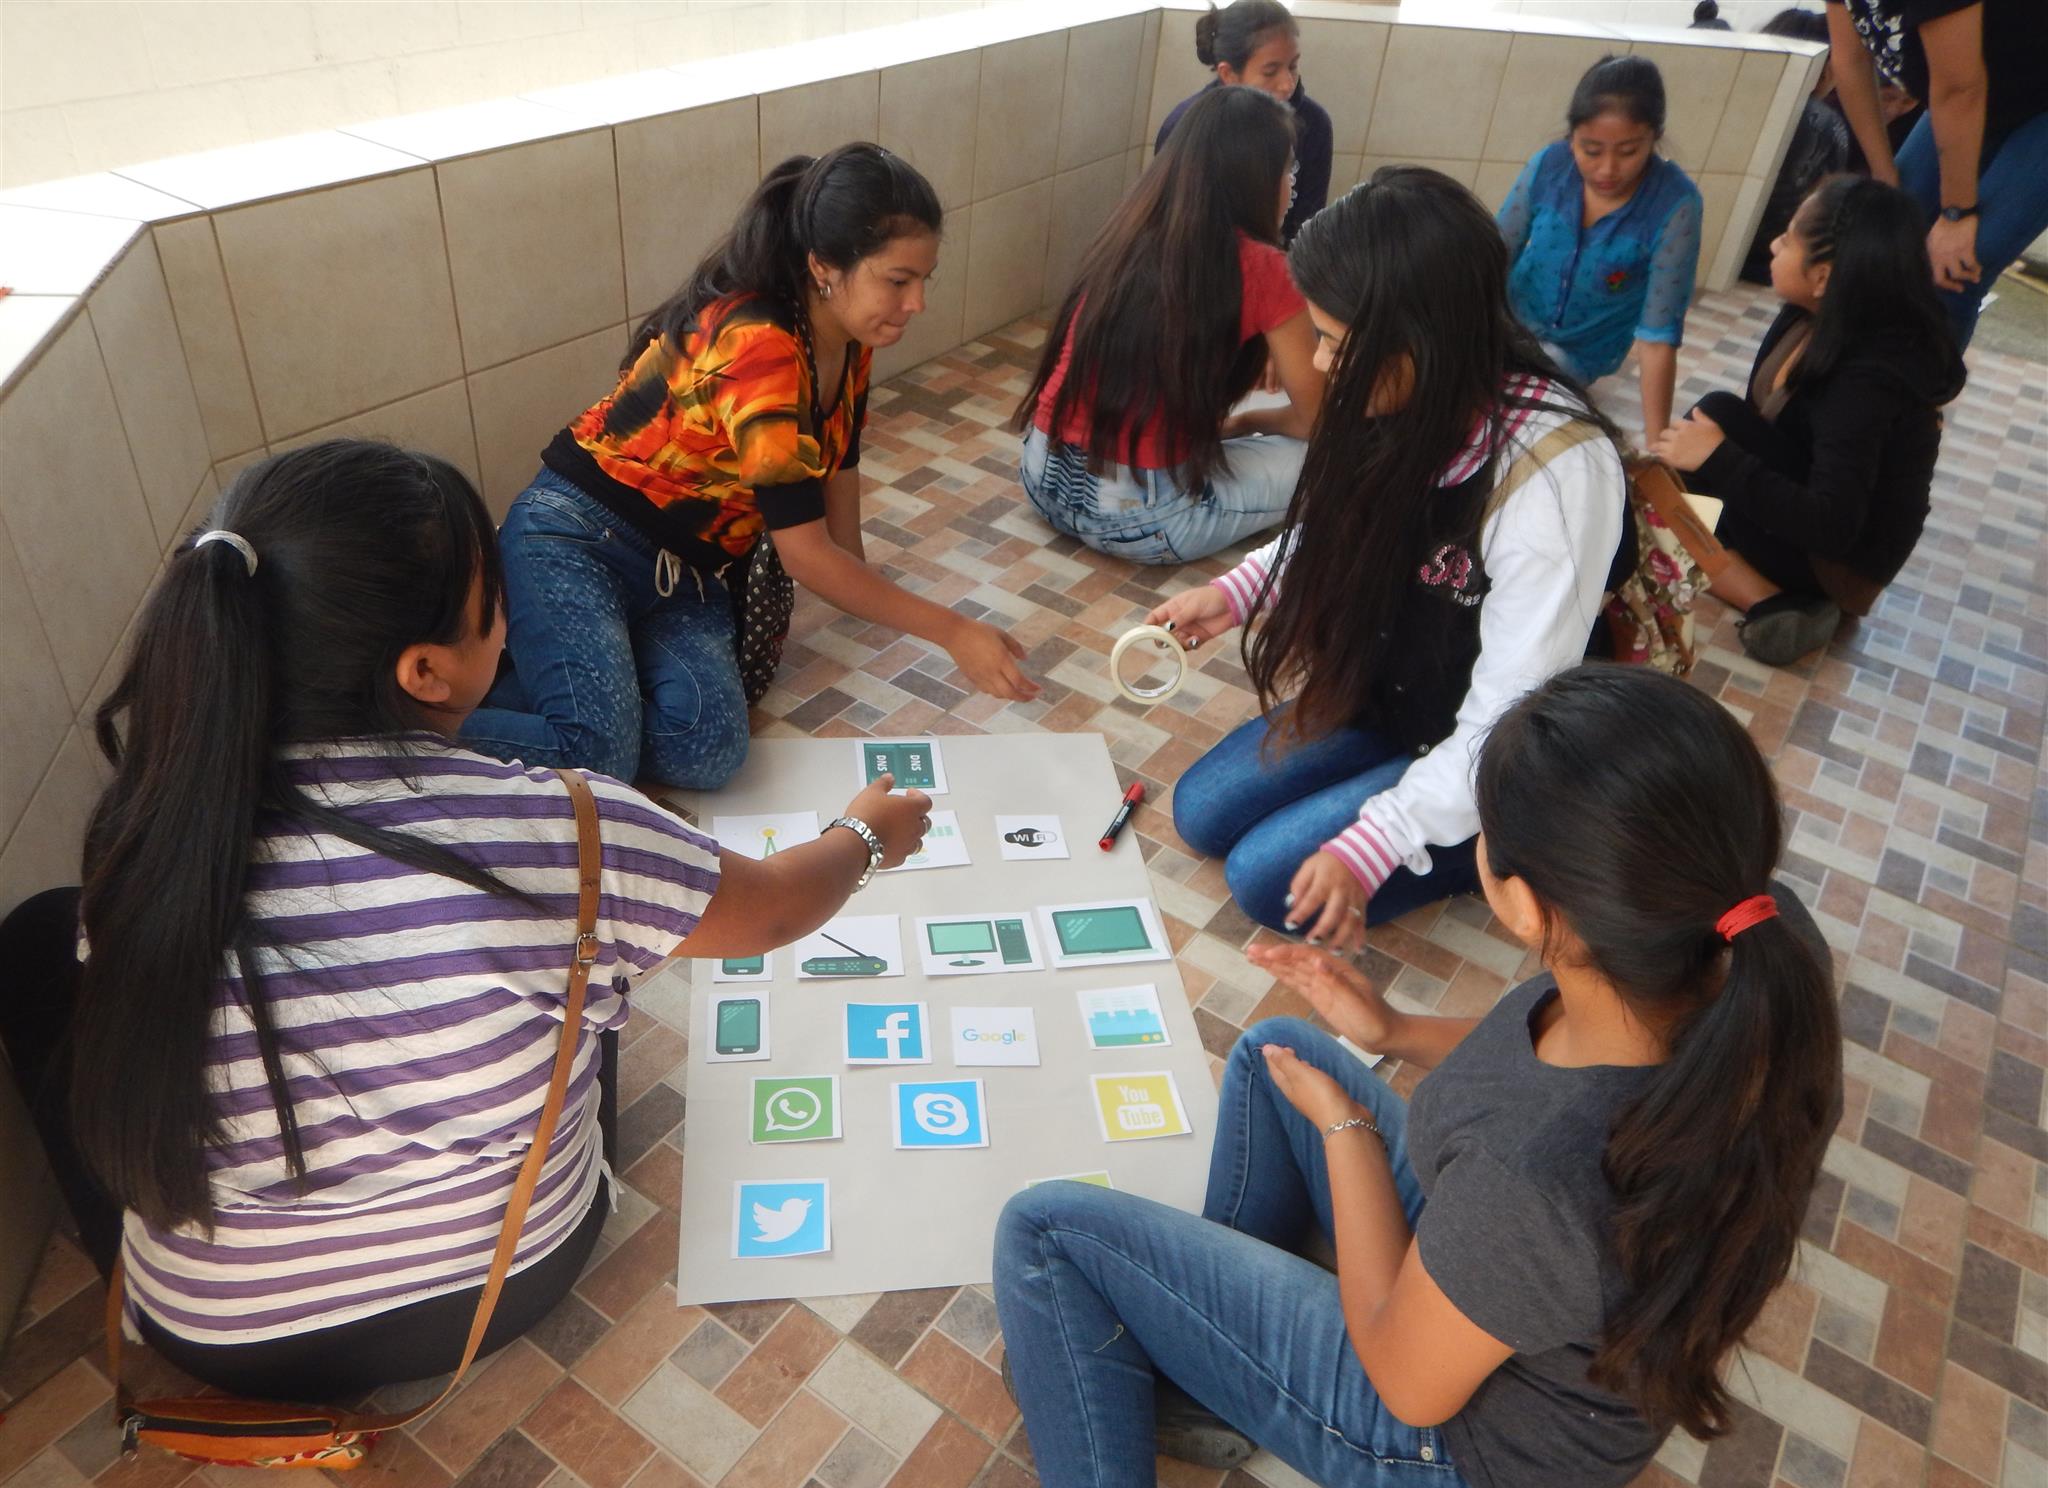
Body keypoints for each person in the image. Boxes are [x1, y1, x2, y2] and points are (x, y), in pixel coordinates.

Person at [0, 441, 931, 1402]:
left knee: (41, 937)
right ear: (424, 671)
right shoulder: (566, 828)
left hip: (212, 1335)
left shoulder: (146, 833)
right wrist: (866, 833)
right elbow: (773, 910)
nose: (512, 621)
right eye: (496, 605)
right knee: (586, 964)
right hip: (500, 1284)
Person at [994, 663, 1842, 1488]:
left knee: (1047, 1231)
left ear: (1524, 905)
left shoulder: (1535, 1177)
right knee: (1275, 1051)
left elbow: (1406, 1384)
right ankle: (1201, 1362)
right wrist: (1395, 1029)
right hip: (1513, 1283)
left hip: (1462, 1459)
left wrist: (1347, 1131)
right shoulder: (1750, 933)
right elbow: (1551, 1052)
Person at [461, 144, 1037, 791]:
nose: (917, 303)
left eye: (925, 280)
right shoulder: (761, 347)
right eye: (898, 281)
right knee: (597, 754)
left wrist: (863, 579)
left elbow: (839, 489)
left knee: (708, 750)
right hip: (576, 538)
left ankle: (557, 672)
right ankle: (409, 724)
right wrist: (954, 631)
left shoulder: (848, 338)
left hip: (687, 573)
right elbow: (807, 557)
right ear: (824, 267)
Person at [1156, 169, 1629, 953]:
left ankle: (1511, 839)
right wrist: (1240, 590)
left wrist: (1377, 841)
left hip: (1499, 744)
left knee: (1266, 880)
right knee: (1202, 812)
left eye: (1339, 344)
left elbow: (1511, 715)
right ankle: (1395, 781)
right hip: (1399, 694)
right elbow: (1339, 527)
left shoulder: (1555, 474)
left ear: (1422, 339)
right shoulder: (1403, 393)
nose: (1322, 364)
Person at [1656, 176, 1965, 665]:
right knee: (1712, 418)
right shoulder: (1812, 316)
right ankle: (1757, 579)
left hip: (1843, 564)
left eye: (1789, 239)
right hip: (1819, 522)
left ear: (1822, 276)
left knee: (1662, 510)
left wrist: (1717, 459)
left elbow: (1834, 525)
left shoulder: (1866, 381)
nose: (1774, 244)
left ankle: (1773, 603)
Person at [1016, 86, 1324, 565]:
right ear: (1256, 177)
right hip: (1146, 521)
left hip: (1041, 480)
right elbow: (1318, 420)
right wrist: (1246, 424)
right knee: (1341, 458)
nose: (1292, 186)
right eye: (1289, 170)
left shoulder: (1127, 231)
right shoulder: (1264, 267)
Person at [1497, 56, 1704, 442]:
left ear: (1654, 137)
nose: (1607, 169)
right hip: (1508, 319)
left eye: (1629, 151)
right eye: (1591, 150)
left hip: (1577, 353)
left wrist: (1657, 444)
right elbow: (1495, 252)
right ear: (1571, 136)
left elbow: (1658, 335)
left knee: (1518, 407)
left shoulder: (1675, 205)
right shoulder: (1549, 166)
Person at [1824, 0, 2048, 348]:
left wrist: (1956, 214)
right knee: (1884, 241)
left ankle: (1913, 383)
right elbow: (1850, 61)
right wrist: (1885, 175)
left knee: (1957, 270)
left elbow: (1959, 91)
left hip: (1990, 94)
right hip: (1978, 87)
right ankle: (1849, 372)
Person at [1155, 0, 1334, 244]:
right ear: (1228, 74)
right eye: (1270, 71)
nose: (1287, 84)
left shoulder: (1314, 125)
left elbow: (1308, 230)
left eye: (1292, 66)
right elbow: (1172, 229)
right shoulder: (1186, 127)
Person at [1740, 10, 1853, 284]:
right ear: (1826, 68)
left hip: (1707, 250)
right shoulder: (1826, 123)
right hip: (1772, 265)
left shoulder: (1734, 102)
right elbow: (1825, 203)